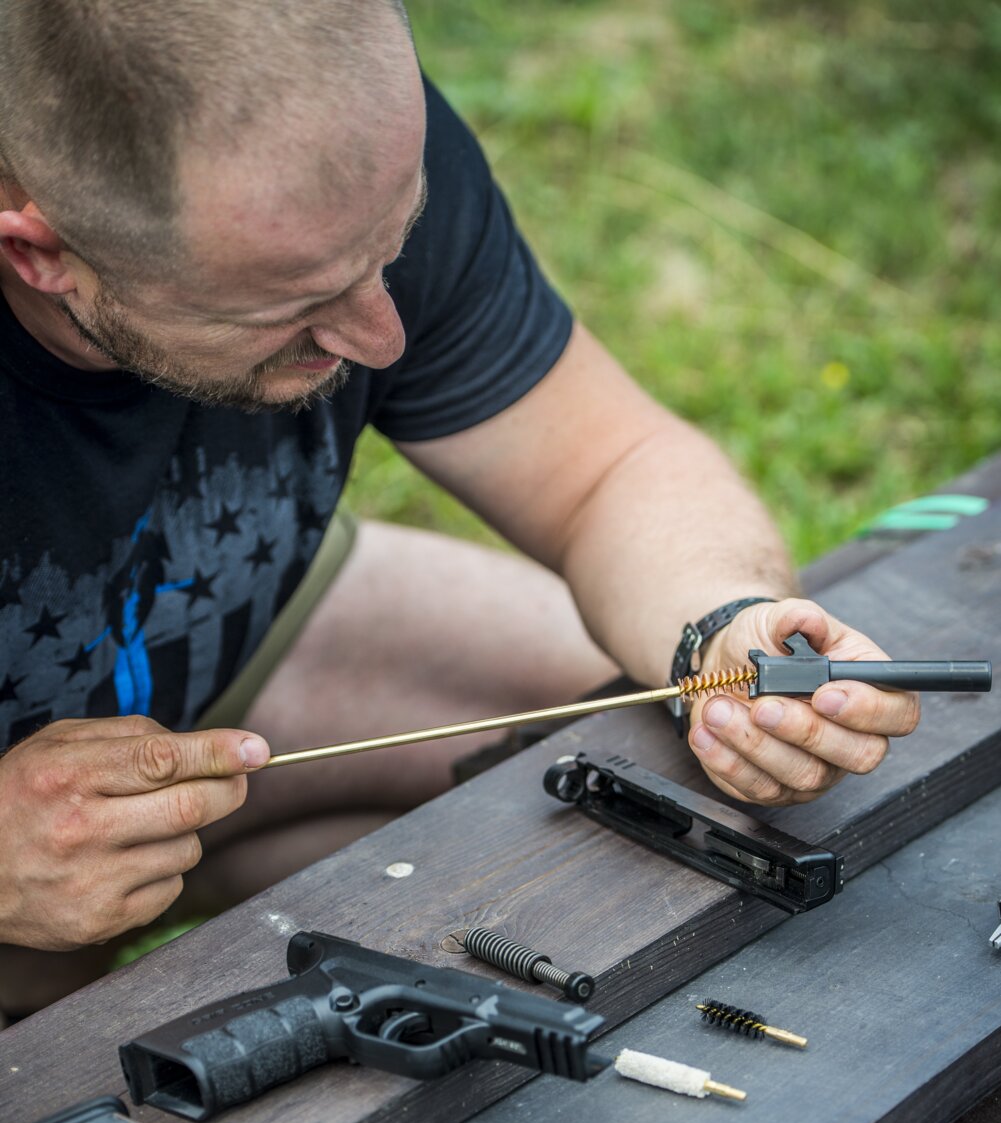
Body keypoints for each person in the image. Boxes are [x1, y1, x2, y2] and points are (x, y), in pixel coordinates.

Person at [0, 0, 919, 1017]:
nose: (381, 339)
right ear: (40, 252)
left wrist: (717, 630)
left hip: (227, 622)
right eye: (292, 306)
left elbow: (606, 464)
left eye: (392, 247)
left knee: (632, 752)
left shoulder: (330, 153)